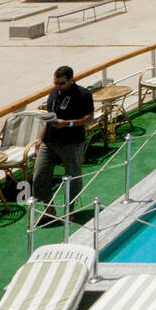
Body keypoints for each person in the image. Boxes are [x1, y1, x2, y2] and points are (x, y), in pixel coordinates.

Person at [32, 65, 94, 222]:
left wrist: (67, 123)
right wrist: (40, 138)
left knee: (72, 177)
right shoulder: (53, 93)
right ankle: (49, 211)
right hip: (49, 141)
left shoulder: (83, 95)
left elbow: (89, 119)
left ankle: (71, 210)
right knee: (39, 176)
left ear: (71, 80)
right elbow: (50, 116)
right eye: (55, 83)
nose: (57, 86)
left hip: (71, 143)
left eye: (61, 83)